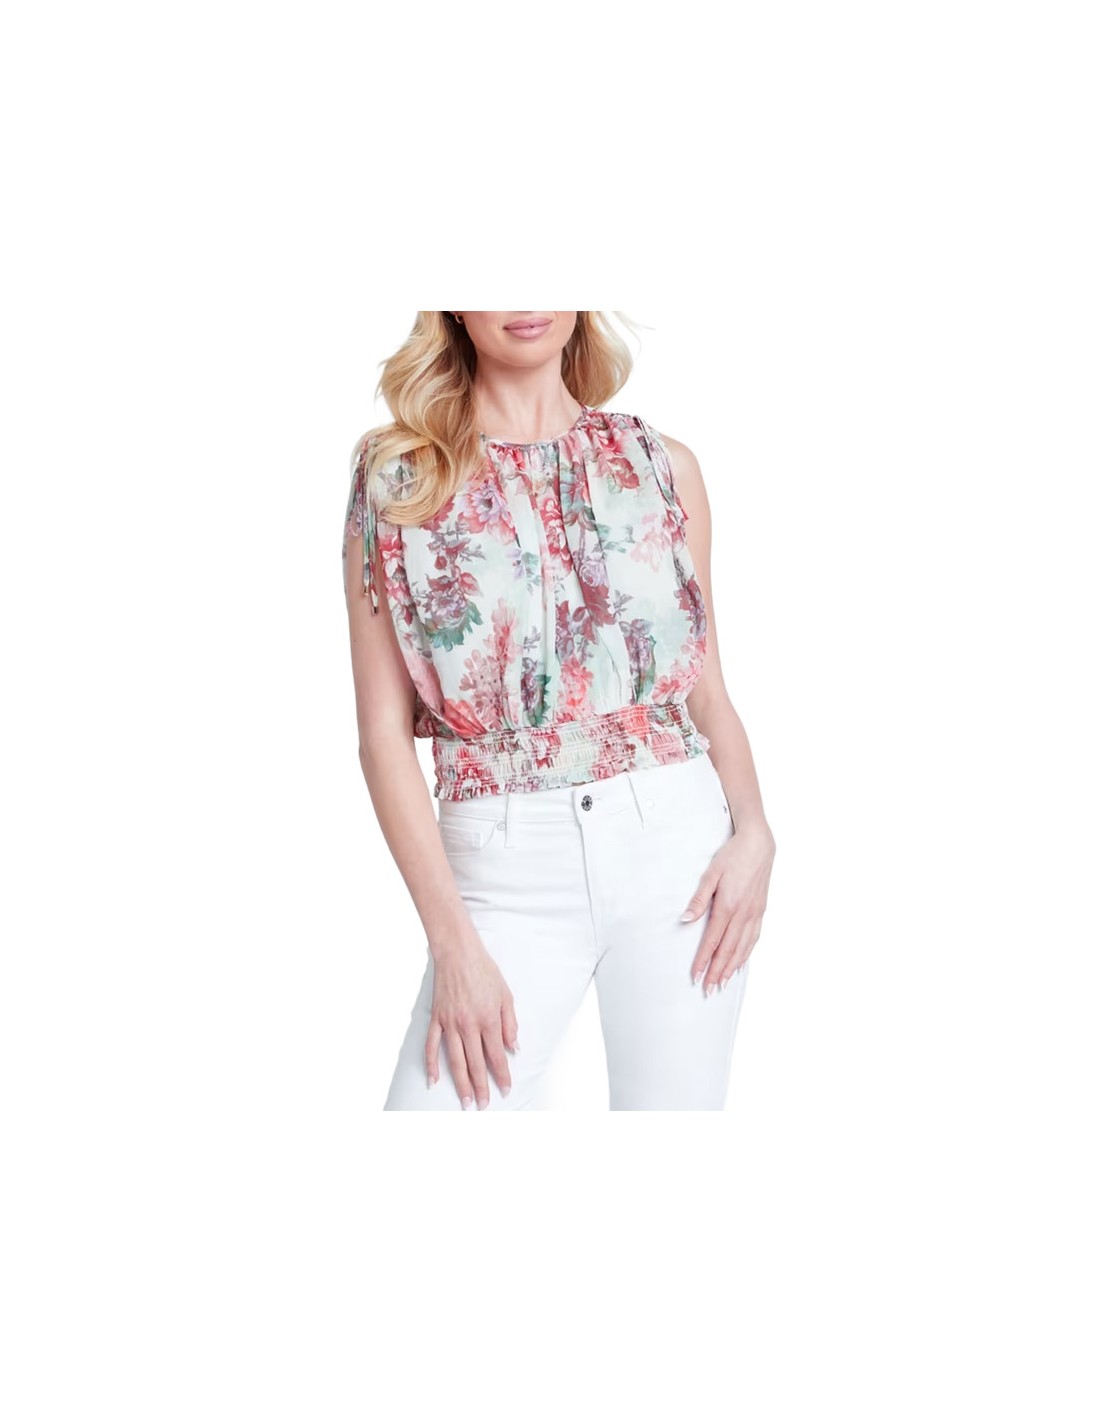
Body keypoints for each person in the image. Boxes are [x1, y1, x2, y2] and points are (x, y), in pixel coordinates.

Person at [342, 311, 776, 1111]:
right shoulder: (398, 478)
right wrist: (453, 945)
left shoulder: (660, 465)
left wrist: (755, 831)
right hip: (502, 870)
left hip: (679, 855)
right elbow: (381, 737)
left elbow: (707, 692)